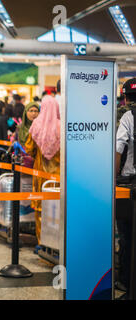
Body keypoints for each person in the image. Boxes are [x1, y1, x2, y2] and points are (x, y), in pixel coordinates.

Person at [25, 95, 60, 245]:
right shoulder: (62, 126)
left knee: (41, 210)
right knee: (58, 209)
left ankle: (42, 242)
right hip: (59, 176)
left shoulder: (36, 125)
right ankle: (58, 242)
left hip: (41, 175)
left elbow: (29, 148)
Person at [115, 78, 136, 299]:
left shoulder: (126, 116)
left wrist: (111, 180)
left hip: (129, 183)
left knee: (127, 237)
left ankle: (127, 283)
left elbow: (118, 149)